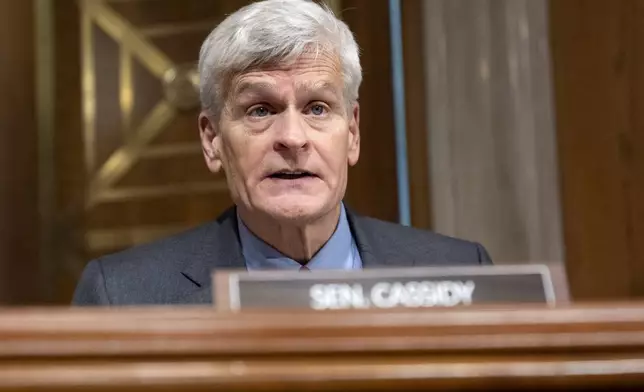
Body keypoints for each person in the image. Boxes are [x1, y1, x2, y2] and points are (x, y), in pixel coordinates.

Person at [73, 0, 491, 306]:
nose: (293, 137)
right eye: (260, 110)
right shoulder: (124, 296)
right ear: (211, 139)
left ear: (352, 133)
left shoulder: (461, 271)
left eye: (317, 108)